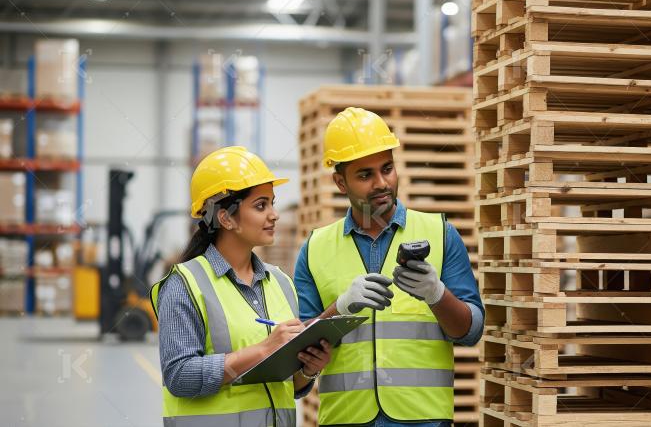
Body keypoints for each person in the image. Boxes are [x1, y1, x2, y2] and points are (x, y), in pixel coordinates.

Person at [293, 107, 485, 426]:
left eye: (387, 168)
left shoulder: (439, 233)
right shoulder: (315, 249)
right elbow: (297, 351)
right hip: (346, 419)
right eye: (365, 175)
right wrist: (338, 309)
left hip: (423, 420)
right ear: (340, 182)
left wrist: (437, 295)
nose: (382, 183)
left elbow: (471, 331)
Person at [150, 146, 331, 427]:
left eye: (272, 202)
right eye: (261, 205)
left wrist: (307, 370)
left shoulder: (281, 283)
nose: (274, 215)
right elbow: (179, 375)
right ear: (226, 218)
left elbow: (286, 386)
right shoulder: (184, 284)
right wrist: (263, 349)